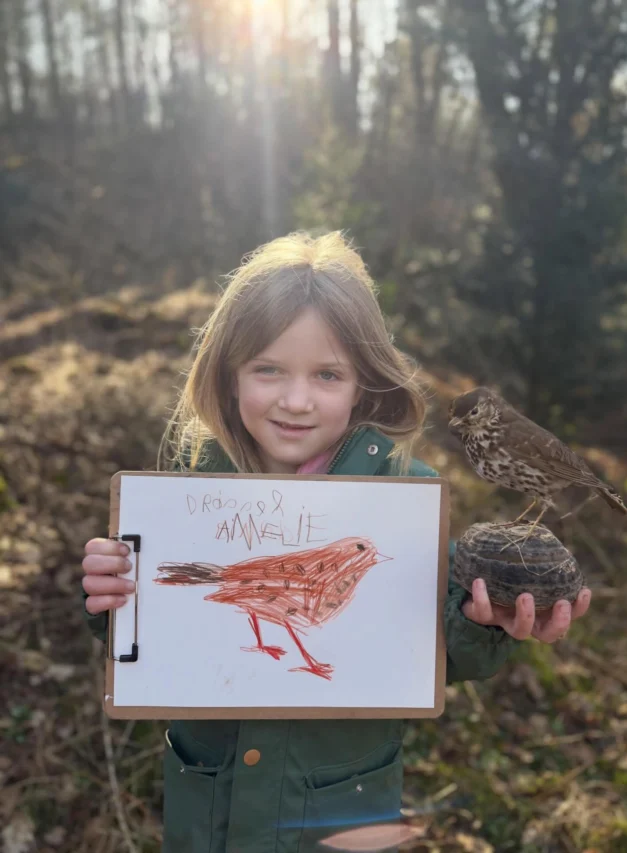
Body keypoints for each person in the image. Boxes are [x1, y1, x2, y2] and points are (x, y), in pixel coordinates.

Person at [81, 232, 591, 853]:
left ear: (363, 385)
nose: (296, 400)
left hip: (339, 813)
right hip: (211, 815)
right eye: (268, 369)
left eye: (327, 374)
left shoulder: (404, 500)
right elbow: (158, 638)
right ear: (229, 375)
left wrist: (486, 623)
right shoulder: (187, 491)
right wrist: (114, 598)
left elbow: (439, 648)